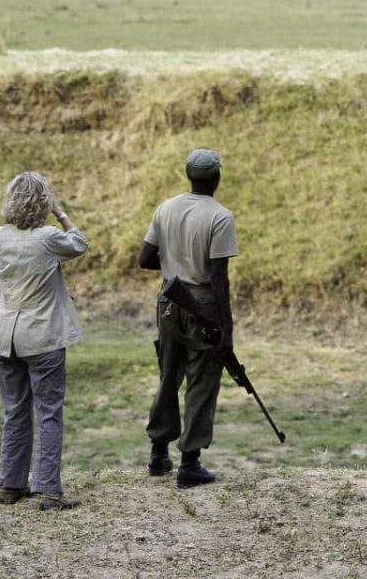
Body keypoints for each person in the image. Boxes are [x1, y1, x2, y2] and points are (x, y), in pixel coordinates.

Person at [138, 148, 239, 489]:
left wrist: (172, 267)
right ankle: (190, 462)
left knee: (169, 373)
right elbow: (219, 277)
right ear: (216, 178)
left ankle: (158, 452)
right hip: (202, 304)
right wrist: (227, 327)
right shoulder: (220, 217)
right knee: (202, 380)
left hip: (169, 301)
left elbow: (145, 258)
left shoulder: (166, 207)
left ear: (189, 175)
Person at [0, 172, 88, 511]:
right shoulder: (48, 238)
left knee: (15, 410)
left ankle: (11, 484)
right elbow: (80, 243)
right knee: (49, 412)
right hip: (42, 335)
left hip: (4, 335)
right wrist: (60, 213)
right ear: (43, 203)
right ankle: (47, 489)